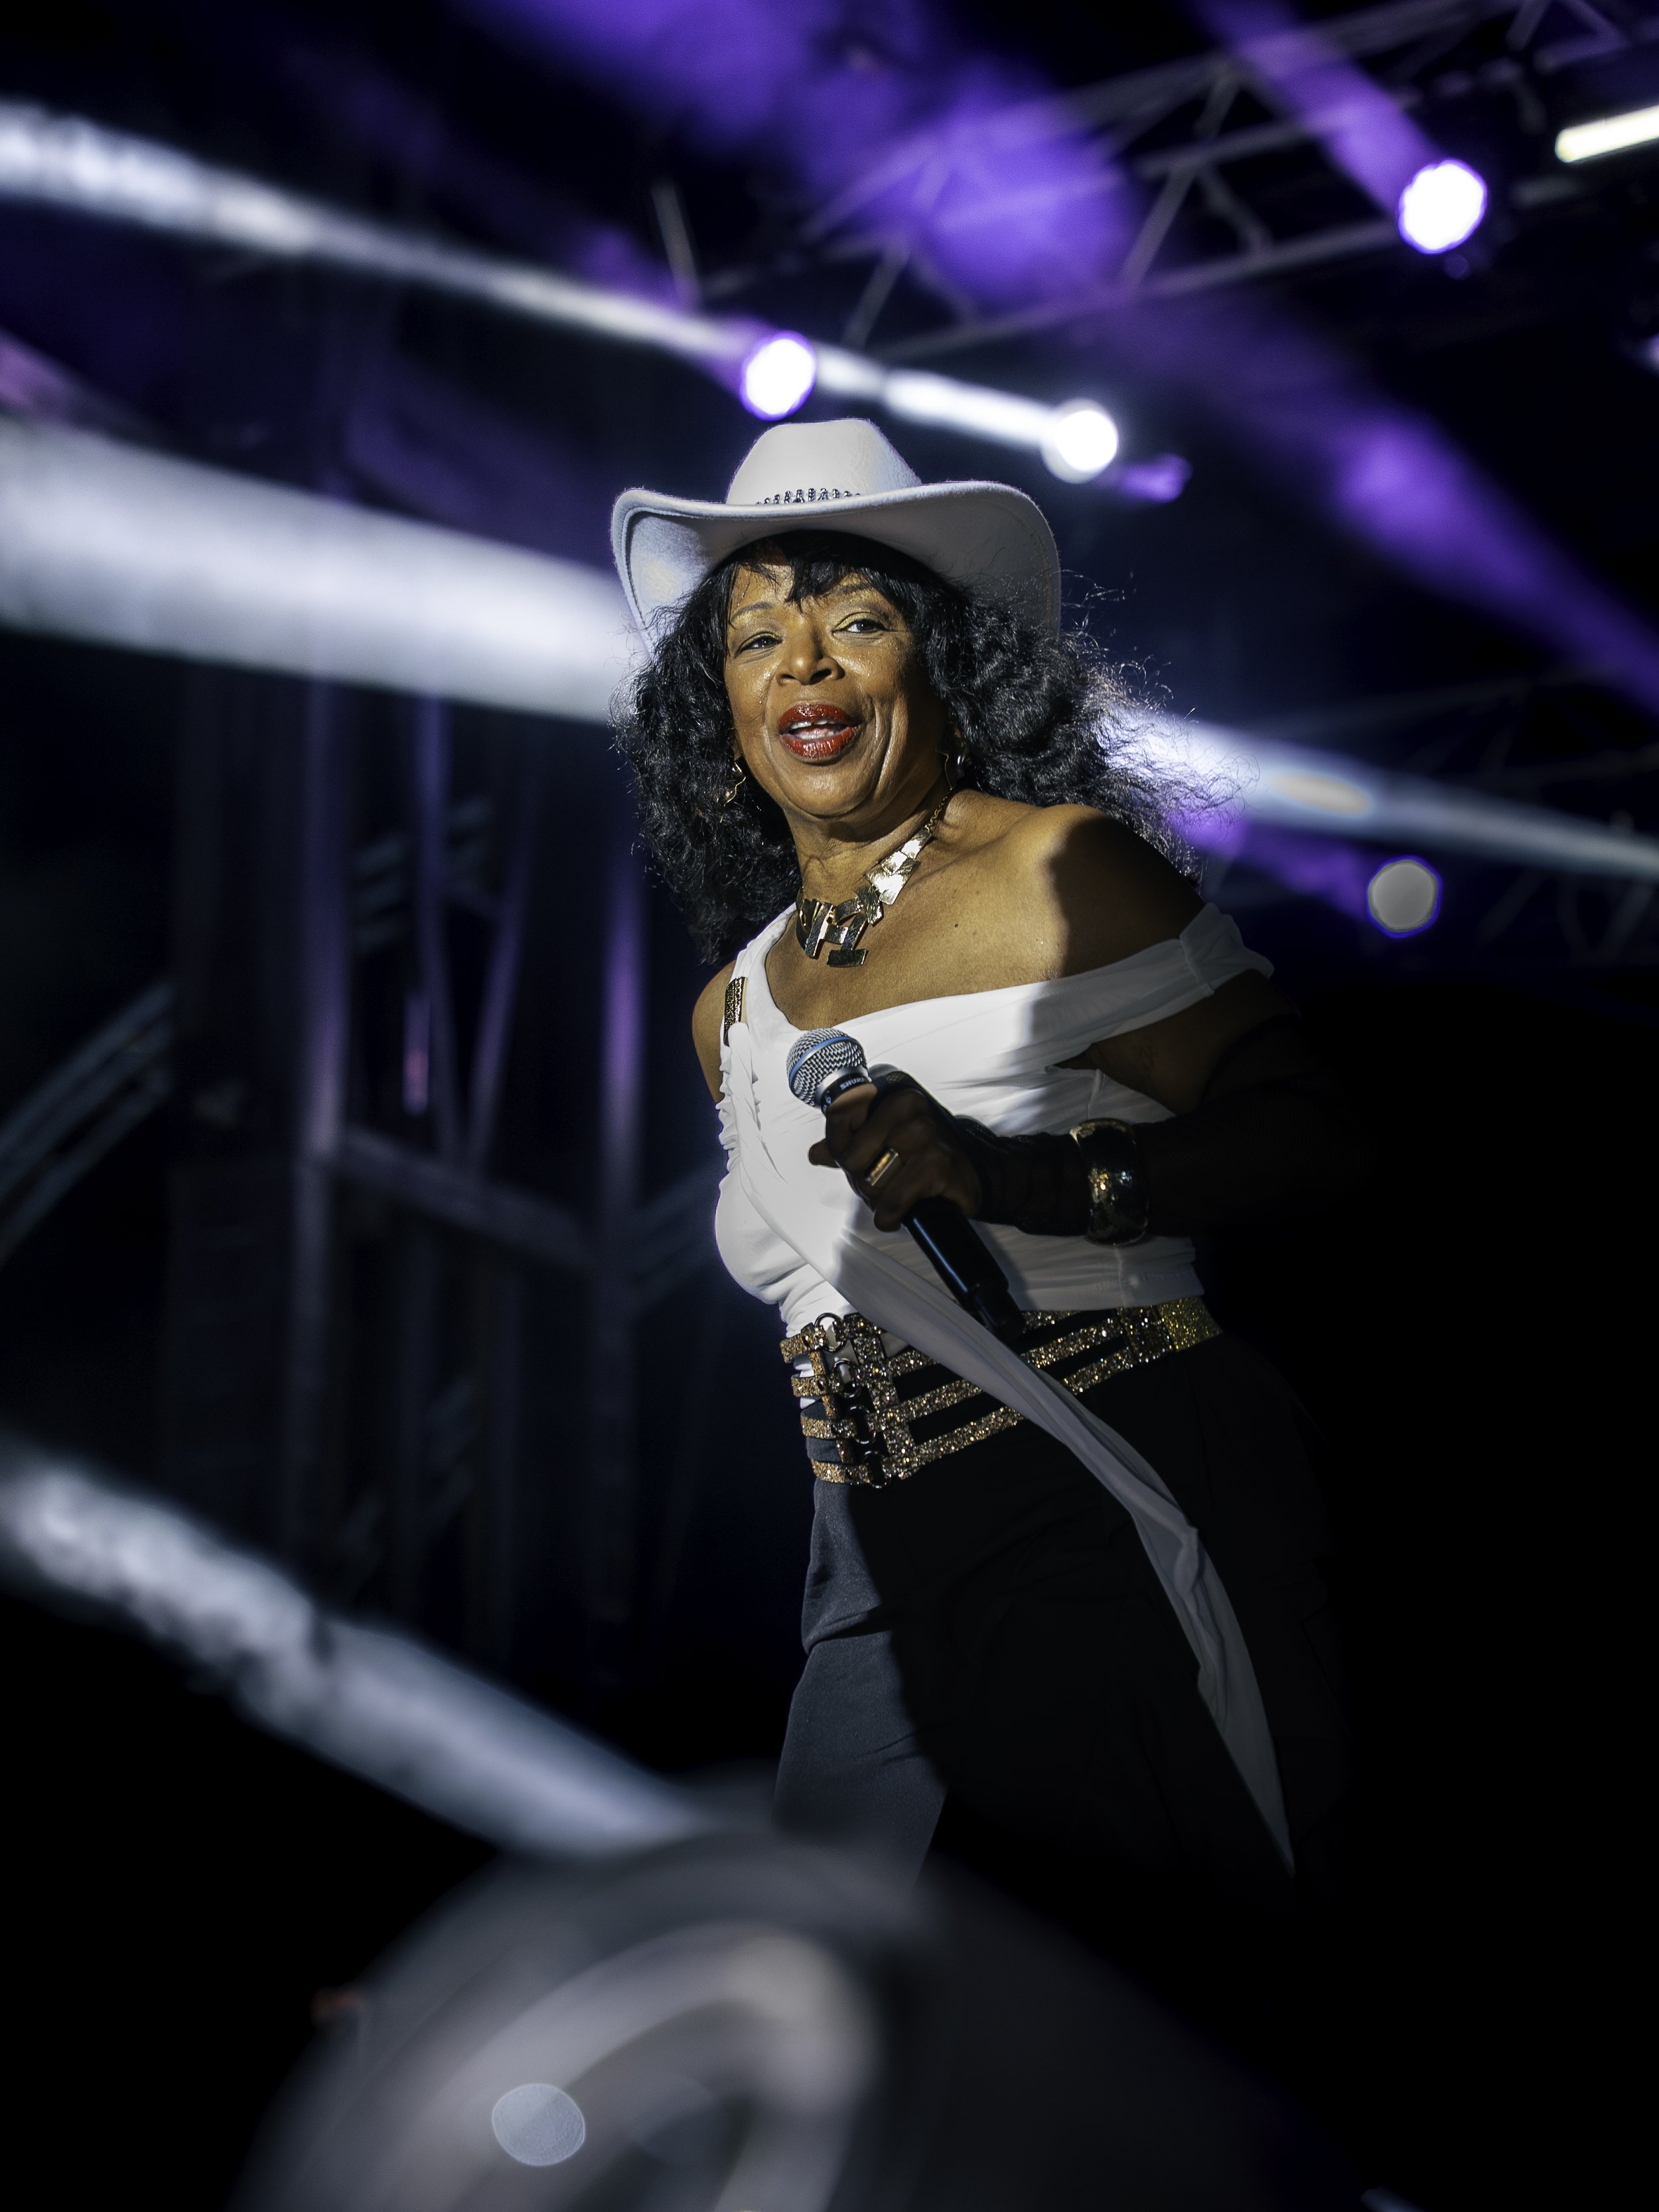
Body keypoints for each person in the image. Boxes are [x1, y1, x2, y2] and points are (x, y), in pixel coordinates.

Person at [611, 419, 1372, 2015]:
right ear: (717, 699)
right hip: (866, 1569)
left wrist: (1023, 1178)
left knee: (1180, 2032)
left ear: (938, 654)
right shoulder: (730, 1007)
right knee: (841, 2021)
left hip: (1104, 1475)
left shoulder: (1059, 873)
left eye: (854, 619)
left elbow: (1314, 1140)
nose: (802, 663)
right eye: (756, 632)